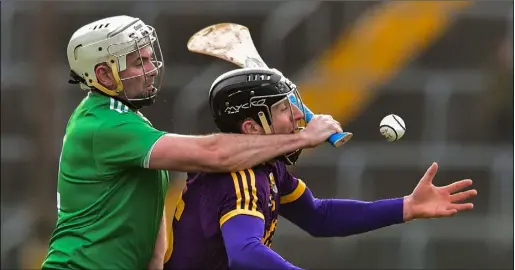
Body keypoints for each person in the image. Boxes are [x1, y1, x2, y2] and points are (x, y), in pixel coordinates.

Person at [41, 16, 342, 270]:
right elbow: (212, 153)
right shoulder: (105, 125)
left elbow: (149, 211)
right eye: (138, 62)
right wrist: (301, 138)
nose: (152, 68)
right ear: (104, 74)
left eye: (149, 57)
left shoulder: (126, 120)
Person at [163, 68, 477, 270]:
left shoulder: (264, 167)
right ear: (252, 127)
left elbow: (318, 215)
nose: (299, 115)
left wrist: (406, 206)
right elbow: (244, 253)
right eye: (284, 109)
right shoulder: (239, 177)